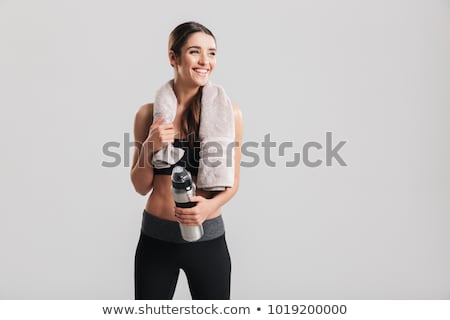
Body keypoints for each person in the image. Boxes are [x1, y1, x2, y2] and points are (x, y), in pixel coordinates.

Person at [130, 21, 243, 300]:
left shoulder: (231, 114)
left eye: (212, 53)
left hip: (207, 238)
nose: (205, 61)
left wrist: (209, 208)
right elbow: (140, 185)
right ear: (173, 57)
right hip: (156, 238)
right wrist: (150, 146)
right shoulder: (148, 115)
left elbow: (233, 184)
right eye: (195, 51)